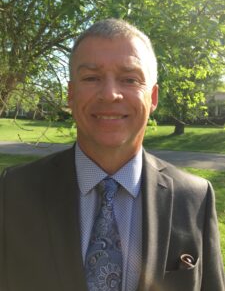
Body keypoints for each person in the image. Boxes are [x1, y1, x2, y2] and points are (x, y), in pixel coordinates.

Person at [0, 18, 224, 291]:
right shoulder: (14, 190)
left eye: (129, 79)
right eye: (91, 78)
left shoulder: (195, 198)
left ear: (152, 98)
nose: (110, 94)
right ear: (71, 95)